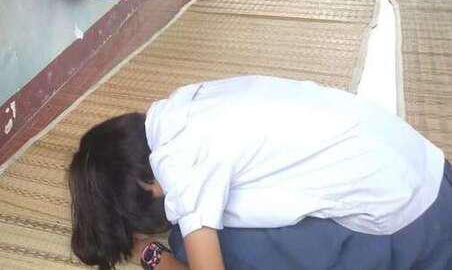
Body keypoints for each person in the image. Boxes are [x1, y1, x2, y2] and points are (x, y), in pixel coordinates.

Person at [69, 76, 451, 270]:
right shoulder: (176, 111)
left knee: (194, 243)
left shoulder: (179, 162)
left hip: (410, 224)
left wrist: (155, 256)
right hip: (428, 171)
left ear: (143, 182)